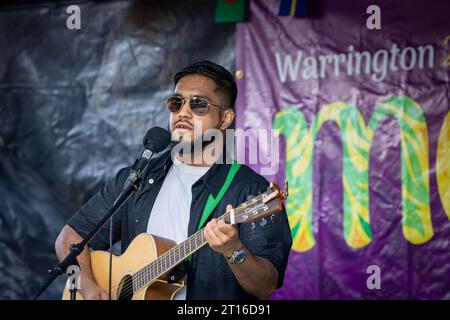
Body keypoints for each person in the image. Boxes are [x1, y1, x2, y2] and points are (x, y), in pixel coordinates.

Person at [55, 61, 292, 300]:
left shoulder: (252, 191)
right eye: (176, 103)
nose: (183, 112)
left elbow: (265, 285)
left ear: (225, 119)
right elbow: (70, 237)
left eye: (198, 104)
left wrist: (234, 250)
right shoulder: (138, 178)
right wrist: (86, 287)